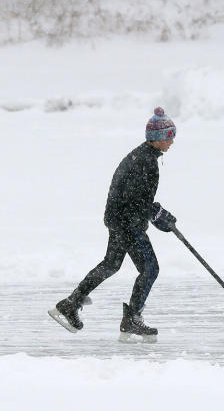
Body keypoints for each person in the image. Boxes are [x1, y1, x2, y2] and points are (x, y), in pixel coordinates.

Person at [49, 107, 178, 343]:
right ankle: (132, 318)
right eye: (170, 136)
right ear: (159, 138)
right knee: (150, 269)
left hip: (120, 219)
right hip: (128, 223)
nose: (172, 141)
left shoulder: (142, 156)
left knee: (111, 264)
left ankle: (70, 304)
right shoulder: (145, 162)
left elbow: (137, 196)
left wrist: (154, 210)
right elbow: (134, 198)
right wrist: (154, 212)